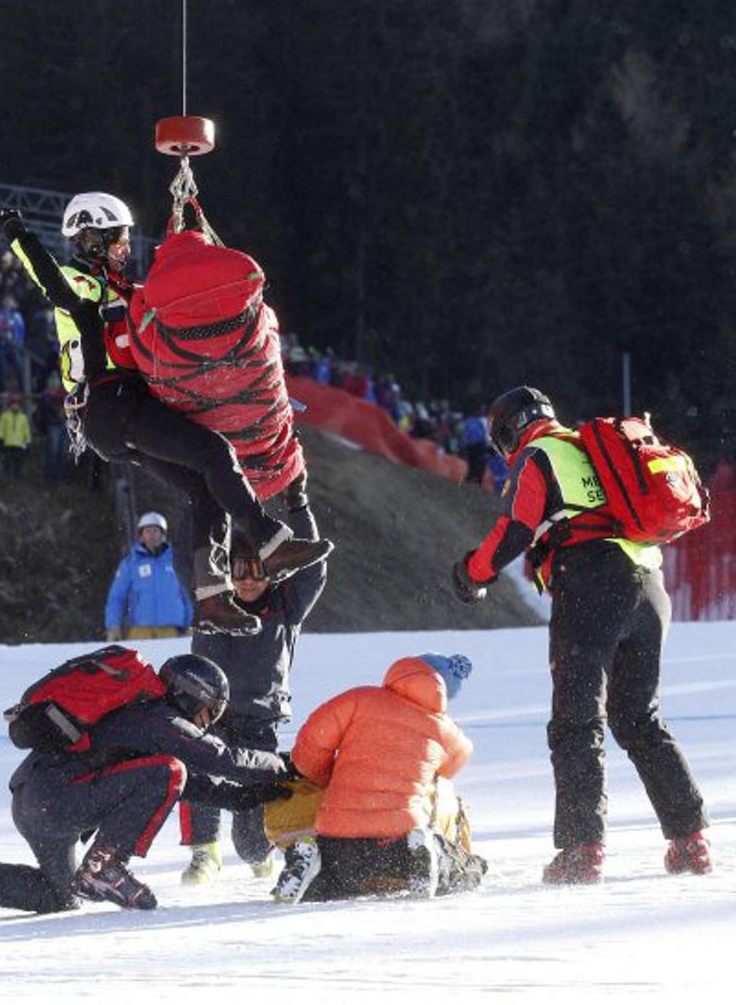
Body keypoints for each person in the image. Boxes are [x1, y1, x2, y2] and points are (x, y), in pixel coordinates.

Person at [0, 195, 330, 636]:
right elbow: (52, 282)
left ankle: (211, 598)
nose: (124, 246)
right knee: (215, 452)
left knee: (205, 489)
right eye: (117, 237)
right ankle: (270, 540)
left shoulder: (125, 291)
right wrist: (20, 236)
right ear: (91, 239)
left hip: (121, 414)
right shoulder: (83, 286)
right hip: (110, 403)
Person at [452, 385, 712, 885]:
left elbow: (515, 530)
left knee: (576, 721)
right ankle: (691, 841)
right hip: (649, 587)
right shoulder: (593, 447)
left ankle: (582, 849)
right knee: (641, 719)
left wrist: (473, 574)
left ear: (507, 432)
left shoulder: (538, 454)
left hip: (591, 585)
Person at [0, 652, 289, 923]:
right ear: (192, 694)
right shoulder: (156, 716)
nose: (205, 724)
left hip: (35, 798)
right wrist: (285, 765)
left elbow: (175, 782)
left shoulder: (137, 715)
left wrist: (238, 797)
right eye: (210, 712)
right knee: (169, 770)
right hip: (60, 797)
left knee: (60, 895)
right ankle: (105, 866)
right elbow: (218, 759)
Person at [270, 653, 486, 903]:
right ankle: (432, 854)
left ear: (396, 675)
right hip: (399, 841)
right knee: (466, 869)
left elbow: (310, 745)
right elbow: (451, 769)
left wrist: (327, 777)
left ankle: (311, 859)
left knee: (331, 884)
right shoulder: (445, 729)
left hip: (338, 841)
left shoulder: (359, 699)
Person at [179, 535, 327, 885]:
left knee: (249, 839)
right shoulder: (210, 598)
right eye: (239, 569)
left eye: (257, 570)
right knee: (198, 777)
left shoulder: (287, 606)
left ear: (273, 572)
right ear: (225, 571)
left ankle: (259, 858)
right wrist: (209, 502)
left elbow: (315, 564)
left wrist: (297, 503)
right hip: (207, 713)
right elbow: (186, 553)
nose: (248, 579)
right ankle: (204, 854)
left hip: (259, 720)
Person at [104, 511, 193, 640]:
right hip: (139, 630)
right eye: (147, 531)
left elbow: (188, 595)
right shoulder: (130, 563)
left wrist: (191, 623)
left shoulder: (176, 561)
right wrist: (113, 625)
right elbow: (117, 597)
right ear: (141, 536)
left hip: (171, 629)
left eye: (155, 531)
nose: (152, 535)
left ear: (163, 534)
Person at [0, 394, 32, 478]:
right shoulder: (4, 416)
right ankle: (8, 477)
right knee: (7, 461)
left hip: (19, 444)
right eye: (13, 404)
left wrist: (28, 442)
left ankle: (18, 477)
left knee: (18, 462)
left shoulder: (23, 418)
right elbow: (1, 428)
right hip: (8, 443)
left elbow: (26, 431)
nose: (15, 406)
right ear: (9, 405)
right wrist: (0, 439)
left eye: (17, 404)